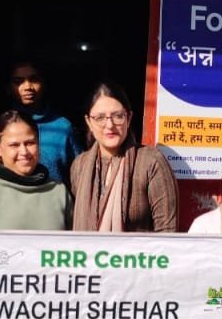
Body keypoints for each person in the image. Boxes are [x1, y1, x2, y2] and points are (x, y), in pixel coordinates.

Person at [69, 82, 178, 232]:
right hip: (88, 249)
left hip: (141, 249)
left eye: (118, 116)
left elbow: (167, 230)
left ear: (129, 118)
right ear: (89, 122)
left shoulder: (151, 162)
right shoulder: (79, 165)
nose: (110, 125)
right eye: (100, 118)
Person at [6, 60, 82, 184]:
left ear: (44, 83)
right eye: (18, 81)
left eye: (34, 80)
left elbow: (81, 176)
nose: (27, 87)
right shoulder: (1, 127)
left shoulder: (62, 127)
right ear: (8, 88)